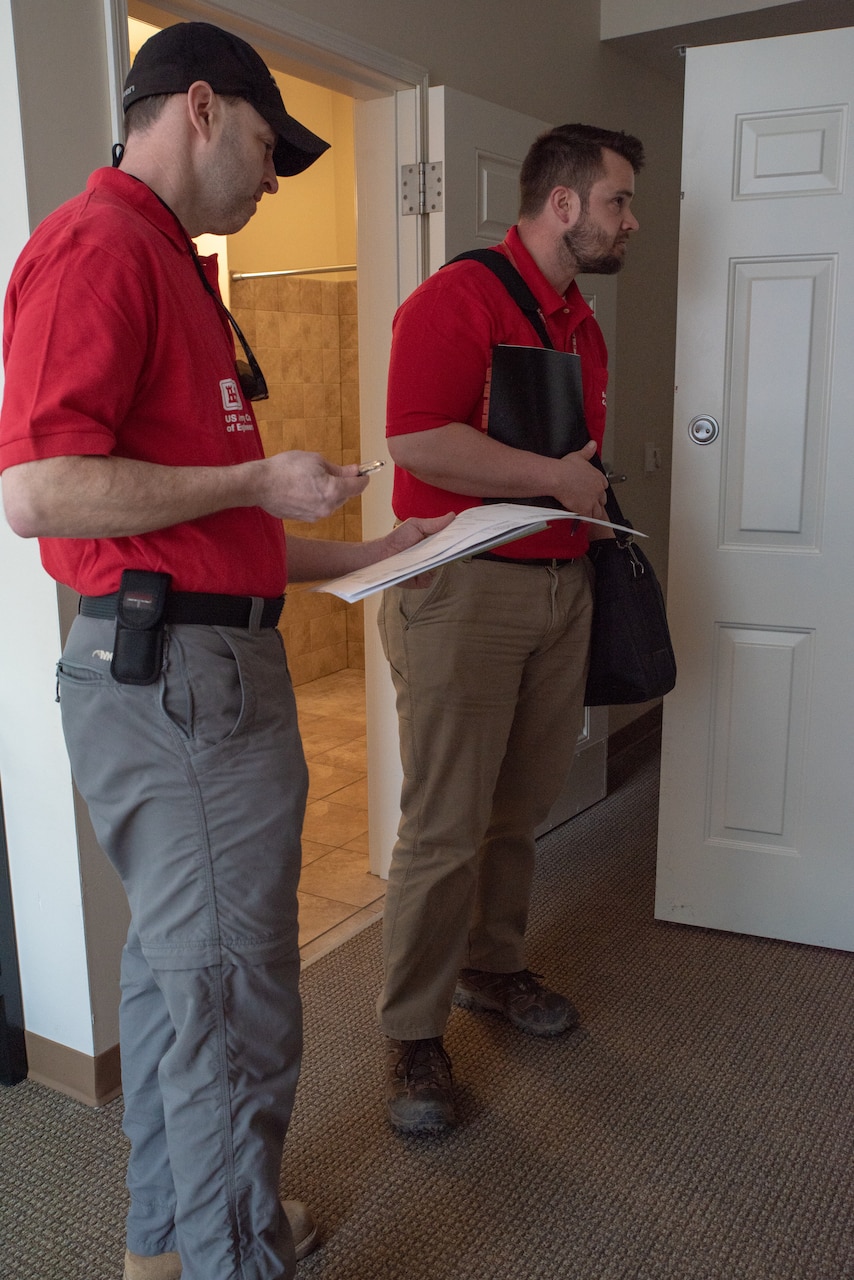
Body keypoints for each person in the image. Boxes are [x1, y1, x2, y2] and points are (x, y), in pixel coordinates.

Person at [0, 21, 449, 1280]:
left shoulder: (170, 266)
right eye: (267, 145)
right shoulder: (99, 249)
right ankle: (231, 1254)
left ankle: (174, 1244)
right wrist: (258, 475)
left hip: (196, 667)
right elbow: (41, 491)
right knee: (228, 1010)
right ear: (198, 107)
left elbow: (204, 533)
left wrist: (365, 552)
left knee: (174, 990)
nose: (274, 176)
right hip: (179, 688)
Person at [378, 123, 645, 1134]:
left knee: (520, 804)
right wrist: (549, 477)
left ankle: (489, 968)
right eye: (617, 202)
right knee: (442, 822)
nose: (628, 223)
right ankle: (408, 1032)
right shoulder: (459, 298)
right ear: (563, 204)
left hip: (556, 587)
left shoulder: (579, 320)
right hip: (461, 594)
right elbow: (412, 436)